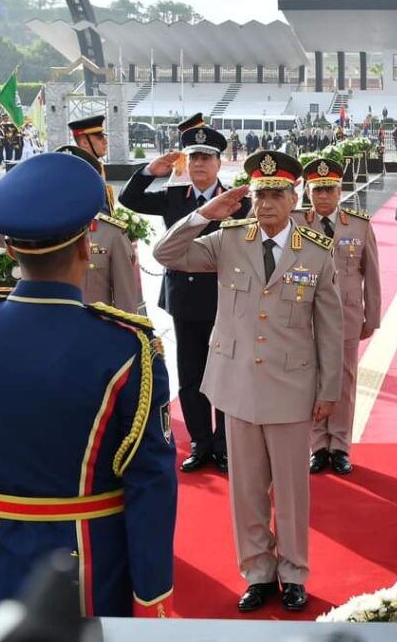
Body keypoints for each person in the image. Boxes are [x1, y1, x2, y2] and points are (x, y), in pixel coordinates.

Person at [0, 152, 176, 616]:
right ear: (84, 245)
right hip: (95, 572)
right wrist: (150, 597)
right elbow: (150, 483)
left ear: (8, 249)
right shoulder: (129, 349)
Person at [153, 150, 343, 613]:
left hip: (291, 387)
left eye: (276, 194)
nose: (267, 203)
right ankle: (258, 571)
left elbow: (331, 326)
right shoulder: (229, 239)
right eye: (259, 194)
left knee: (292, 493)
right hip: (237, 384)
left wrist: (329, 390)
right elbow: (166, 254)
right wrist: (203, 215)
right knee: (246, 489)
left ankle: (294, 572)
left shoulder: (315, 250)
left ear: (293, 197)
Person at [119, 122, 251, 473]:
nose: (200, 165)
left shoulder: (240, 203)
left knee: (224, 371)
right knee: (190, 372)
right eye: (194, 158)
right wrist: (149, 171)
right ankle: (200, 441)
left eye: (207, 158)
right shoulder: (175, 197)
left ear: (219, 163)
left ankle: (224, 442)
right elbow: (128, 199)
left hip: (226, 299)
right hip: (186, 297)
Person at [0, 145, 142, 313]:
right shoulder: (32, 227)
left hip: (88, 335)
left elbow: (125, 302)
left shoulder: (110, 233)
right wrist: (13, 190)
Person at [292, 158, 381, 476]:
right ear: (307, 191)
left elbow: (370, 272)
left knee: (343, 380)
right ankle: (318, 446)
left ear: (340, 191)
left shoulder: (358, 225)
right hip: (306, 315)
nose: (324, 196)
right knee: (312, 379)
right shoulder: (297, 223)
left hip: (346, 314)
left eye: (329, 189)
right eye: (317, 190)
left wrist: (373, 315)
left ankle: (340, 445)